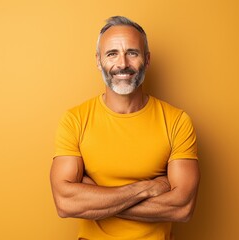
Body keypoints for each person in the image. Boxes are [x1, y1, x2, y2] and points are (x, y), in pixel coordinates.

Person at [50, 16, 200, 240]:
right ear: (99, 61)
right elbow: (65, 203)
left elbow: (182, 208)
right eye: (112, 54)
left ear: (147, 60)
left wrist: (97, 199)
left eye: (132, 53)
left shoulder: (177, 121)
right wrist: (148, 188)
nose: (122, 64)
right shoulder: (75, 119)